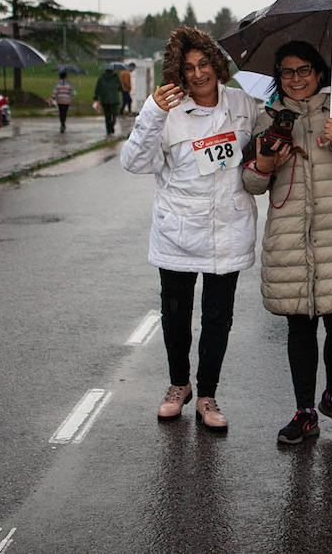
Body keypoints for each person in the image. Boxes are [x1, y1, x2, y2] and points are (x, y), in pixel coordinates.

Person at [241, 41, 332, 444]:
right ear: (278, 77)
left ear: (319, 72)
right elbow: (251, 182)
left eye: (304, 70)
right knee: (300, 328)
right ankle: (304, 411)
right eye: (287, 72)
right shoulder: (267, 118)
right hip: (290, 237)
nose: (297, 78)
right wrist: (268, 162)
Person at [120, 27, 258, 433]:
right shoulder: (166, 110)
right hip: (178, 230)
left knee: (218, 318)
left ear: (217, 65)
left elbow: (258, 148)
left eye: (203, 65)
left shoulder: (242, 105)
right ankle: (178, 384)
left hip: (228, 228)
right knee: (176, 315)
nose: (198, 75)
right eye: (188, 69)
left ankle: (207, 394)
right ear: (177, 74)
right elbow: (133, 162)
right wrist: (152, 112)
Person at [95, 66, 122, 137]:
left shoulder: (101, 78)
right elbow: (120, 88)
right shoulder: (116, 78)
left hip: (105, 100)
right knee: (114, 115)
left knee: (107, 116)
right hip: (114, 100)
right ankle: (112, 125)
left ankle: (108, 131)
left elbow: (98, 89)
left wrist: (96, 97)